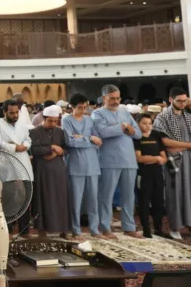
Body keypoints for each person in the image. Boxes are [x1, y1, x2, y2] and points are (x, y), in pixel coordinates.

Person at [92, 84, 142, 239]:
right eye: (112, 98)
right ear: (104, 98)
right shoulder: (97, 114)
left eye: (117, 98)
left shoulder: (125, 112)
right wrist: (122, 127)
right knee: (106, 195)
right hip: (109, 160)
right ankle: (105, 227)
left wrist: (127, 128)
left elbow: (138, 133)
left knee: (129, 196)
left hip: (128, 160)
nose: (115, 101)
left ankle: (129, 226)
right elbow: (103, 132)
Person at [62, 93, 102, 238]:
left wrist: (83, 139)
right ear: (71, 107)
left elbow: (99, 141)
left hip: (92, 164)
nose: (83, 110)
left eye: (85, 107)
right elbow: (69, 142)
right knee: (76, 200)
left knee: (93, 199)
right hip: (75, 164)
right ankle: (76, 229)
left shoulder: (89, 120)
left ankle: (94, 229)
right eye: (80, 107)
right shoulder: (66, 121)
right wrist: (89, 139)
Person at [153, 87, 191, 240]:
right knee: (174, 193)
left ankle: (188, 223)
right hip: (172, 161)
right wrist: (188, 145)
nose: (182, 104)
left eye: (185, 101)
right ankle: (174, 227)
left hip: (187, 159)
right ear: (170, 99)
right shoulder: (162, 117)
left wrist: (181, 146)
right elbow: (164, 142)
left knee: (188, 191)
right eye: (179, 101)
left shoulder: (188, 116)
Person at [0, 100, 34, 238]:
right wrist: (15, 147)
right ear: (4, 112)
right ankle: (7, 230)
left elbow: (28, 140)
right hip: (6, 164)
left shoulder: (22, 124)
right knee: (8, 199)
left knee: (25, 198)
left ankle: (24, 230)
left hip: (23, 162)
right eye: (11, 113)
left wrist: (23, 146)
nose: (15, 115)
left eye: (16, 112)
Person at [30, 105, 70, 237]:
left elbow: (66, 149)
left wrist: (59, 152)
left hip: (58, 170)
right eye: (50, 121)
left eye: (56, 121)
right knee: (43, 199)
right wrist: (51, 147)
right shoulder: (34, 132)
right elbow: (34, 150)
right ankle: (42, 230)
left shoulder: (60, 132)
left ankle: (63, 229)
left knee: (61, 199)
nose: (53, 124)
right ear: (44, 118)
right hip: (42, 170)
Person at [134, 113, 167, 238]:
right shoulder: (136, 138)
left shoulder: (156, 136)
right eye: (144, 123)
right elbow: (139, 158)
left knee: (158, 202)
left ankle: (159, 229)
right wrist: (156, 158)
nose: (148, 126)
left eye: (150, 124)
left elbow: (164, 158)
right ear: (137, 124)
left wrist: (154, 159)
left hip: (157, 173)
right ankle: (146, 230)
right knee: (144, 202)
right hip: (143, 174)